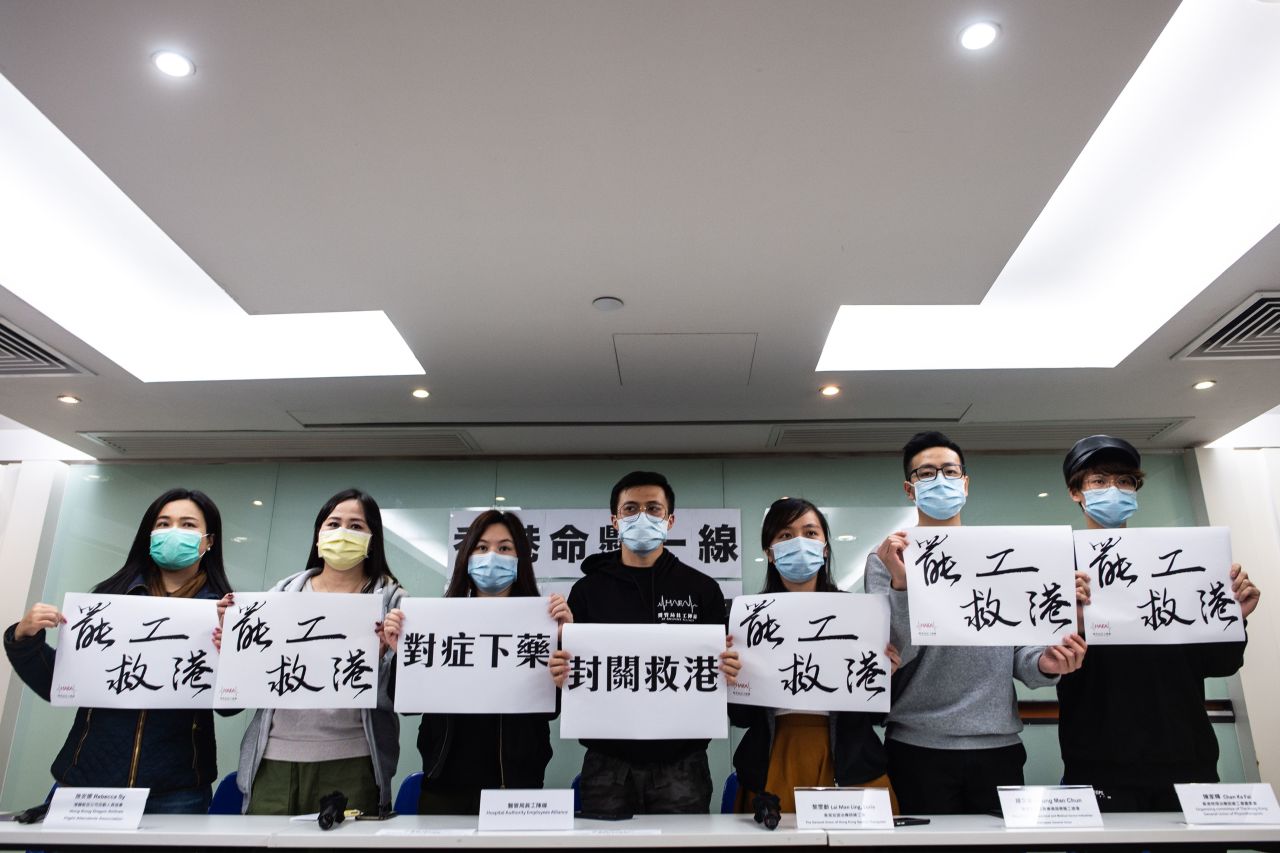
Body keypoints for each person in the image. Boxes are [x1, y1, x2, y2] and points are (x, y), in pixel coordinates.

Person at [865, 431, 1088, 814]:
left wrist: (1044, 663)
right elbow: (891, 655)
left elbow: (1023, 651)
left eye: (950, 472)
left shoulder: (1003, 551)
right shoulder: (888, 557)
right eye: (926, 473)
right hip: (917, 744)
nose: (940, 481)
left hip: (998, 744)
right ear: (909, 488)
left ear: (965, 483)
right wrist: (902, 586)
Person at [1057, 435, 1262, 812]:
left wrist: (1235, 618)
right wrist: (1070, 618)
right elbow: (1045, 666)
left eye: (1124, 481)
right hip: (1100, 760)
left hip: (1187, 759)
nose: (1113, 490)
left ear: (1136, 490)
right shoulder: (1058, 570)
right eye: (1099, 481)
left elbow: (1220, 663)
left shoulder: (1182, 561)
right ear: (1076, 492)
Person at [4, 488, 233, 814]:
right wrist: (25, 638)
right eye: (164, 523)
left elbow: (230, 708)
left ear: (209, 540)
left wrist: (232, 656)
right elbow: (59, 684)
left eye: (187, 525)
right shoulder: (108, 600)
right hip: (88, 780)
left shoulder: (224, 611)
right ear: (149, 534)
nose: (173, 533)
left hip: (176, 790)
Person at [551, 470, 740, 815]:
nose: (642, 516)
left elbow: (724, 672)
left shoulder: (701, 589)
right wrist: (560, 669)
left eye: (653, 509)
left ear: (670, 520)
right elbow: (567, 676)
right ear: (615, 520)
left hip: (682, 763)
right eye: (631, 509)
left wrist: (730, 670)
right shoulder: (587, 592)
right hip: (608, 762)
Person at [381, 510, 573, 815]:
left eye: (505, 548)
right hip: (445, 782)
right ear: (467, 557)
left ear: (520, 558)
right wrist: (402, 651)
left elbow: (552, 708)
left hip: (517, 784)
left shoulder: (543, 623)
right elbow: (403, 702)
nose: (492, 556)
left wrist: (565, 642)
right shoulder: (437, 621)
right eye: (482, 548)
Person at [234, 488, 404, 816]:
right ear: (317, 536)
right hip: (274, 758)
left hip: (353, 759)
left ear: (373, 539)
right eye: (333, 523)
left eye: (356, 526)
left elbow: (403, 696)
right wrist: (230, 643)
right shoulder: (279, 597)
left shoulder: (394, 603)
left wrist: (388, 656)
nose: (342, 533)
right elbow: (249, 678)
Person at [730, 497, 901, 815]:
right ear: (769, 552)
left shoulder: (860, 614)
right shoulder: (748, 617)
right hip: (774, 757)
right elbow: (740, 718)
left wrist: (886, 676)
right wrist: (731, 677)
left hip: (852, 761)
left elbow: (879, 715)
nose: (798, 542)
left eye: (810, 533)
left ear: (825, 548)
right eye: (785, 535)